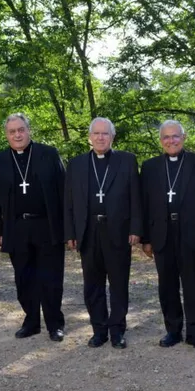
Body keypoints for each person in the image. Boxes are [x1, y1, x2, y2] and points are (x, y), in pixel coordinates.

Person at [64, 117, 142, 349]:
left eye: (105, 133)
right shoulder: (76, 164)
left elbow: (136, 198)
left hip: (118, 231)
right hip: (88, 231)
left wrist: (136, 228)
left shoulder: (127, 160)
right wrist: (70, 232)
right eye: (96, 133)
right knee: (92, 285)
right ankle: (99, 330)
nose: (100, 137)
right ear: (89, 137)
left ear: (112, 137)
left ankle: (117, 331)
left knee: (119, 283)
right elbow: (68, 202)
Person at [0, 113, 66, 342]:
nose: (17, 135)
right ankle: (31, 322)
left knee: (51, 278)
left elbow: (64, 192)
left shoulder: (48, 154)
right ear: (6, 135)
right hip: (16, 227)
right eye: (12, 131)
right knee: (24, 278)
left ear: (29, 130)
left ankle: (55, 324)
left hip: (47, 225)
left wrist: (68, 228)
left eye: (21, 130)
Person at [140, 120, 195, 350]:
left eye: (175, 136)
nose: (171, 141)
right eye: (166, 137)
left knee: (191, 284)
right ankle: (172, 330)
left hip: (190, 233)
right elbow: (144, 204)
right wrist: (146, 239)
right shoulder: (150, 167)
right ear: (160, 140)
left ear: (184, 138)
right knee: (167, 285)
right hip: (161, 233)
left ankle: (194, 332)